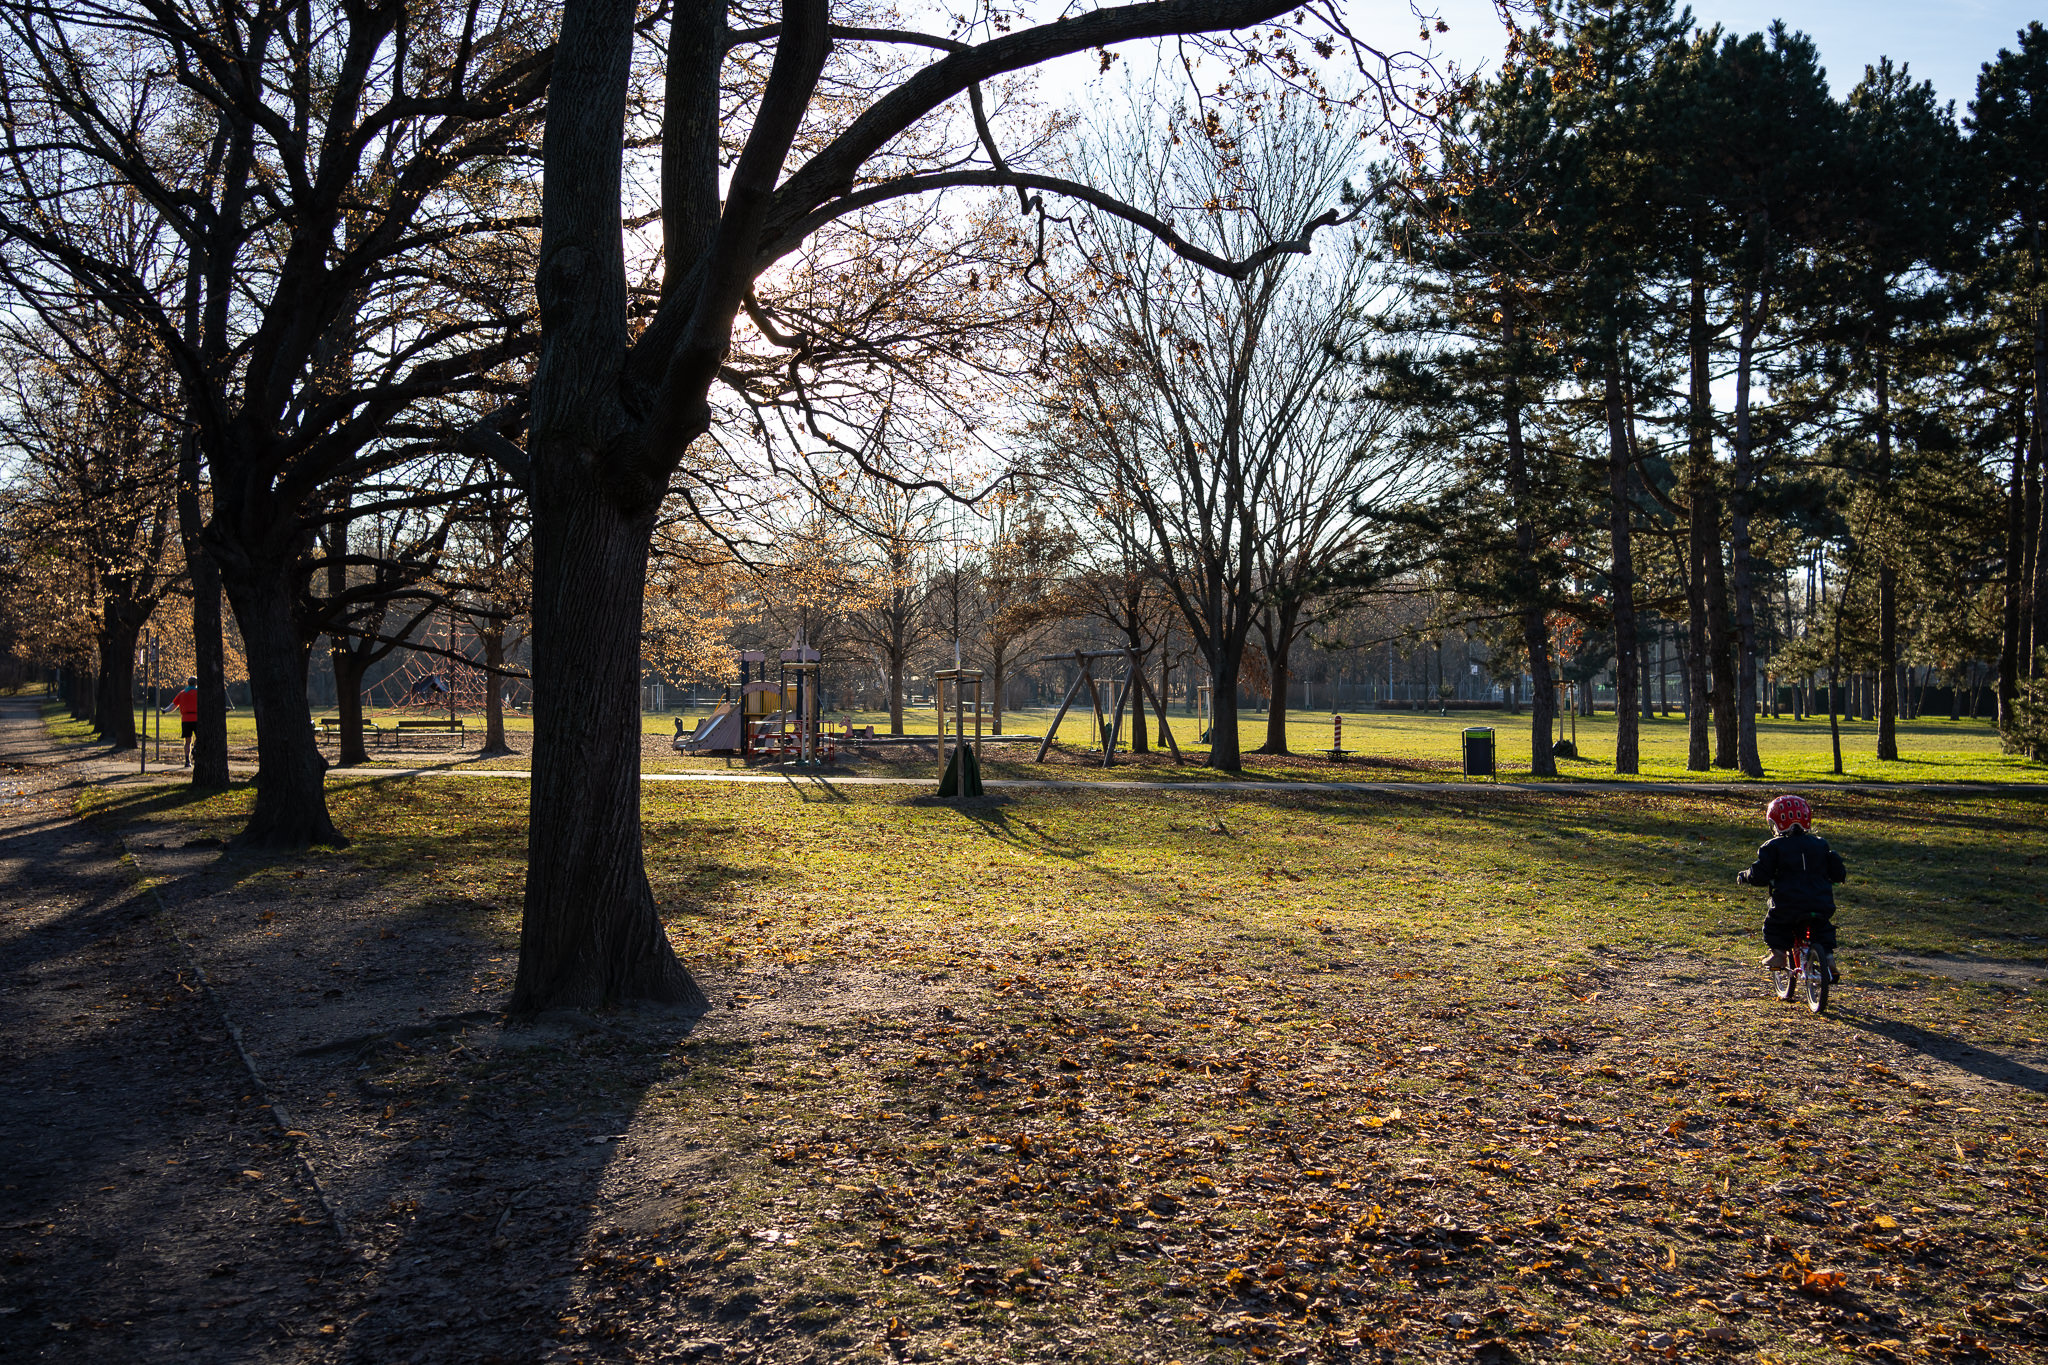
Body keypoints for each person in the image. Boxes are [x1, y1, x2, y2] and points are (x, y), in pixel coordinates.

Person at [1736, 794, 1846, 980]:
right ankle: (1828, 956)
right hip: (1821, 901)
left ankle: (1778, 955)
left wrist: (1745, 876)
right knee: (1823, 928)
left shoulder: (1773, 847)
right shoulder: (1820, 844)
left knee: (1775, 925)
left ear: (1776, 823)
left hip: (1789, 903)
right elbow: (1836, 871)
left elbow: (1760, 874)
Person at [160, 676, 200, 767]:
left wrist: (165, 710)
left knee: (187, 741)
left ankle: (187, 760)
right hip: (197, 718)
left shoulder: (182, 693)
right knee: (200, 737)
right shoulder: (199, 693)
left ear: (188, 683)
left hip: (185, 719)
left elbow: (173, 705)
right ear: (196, 683)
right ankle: (196, 749)